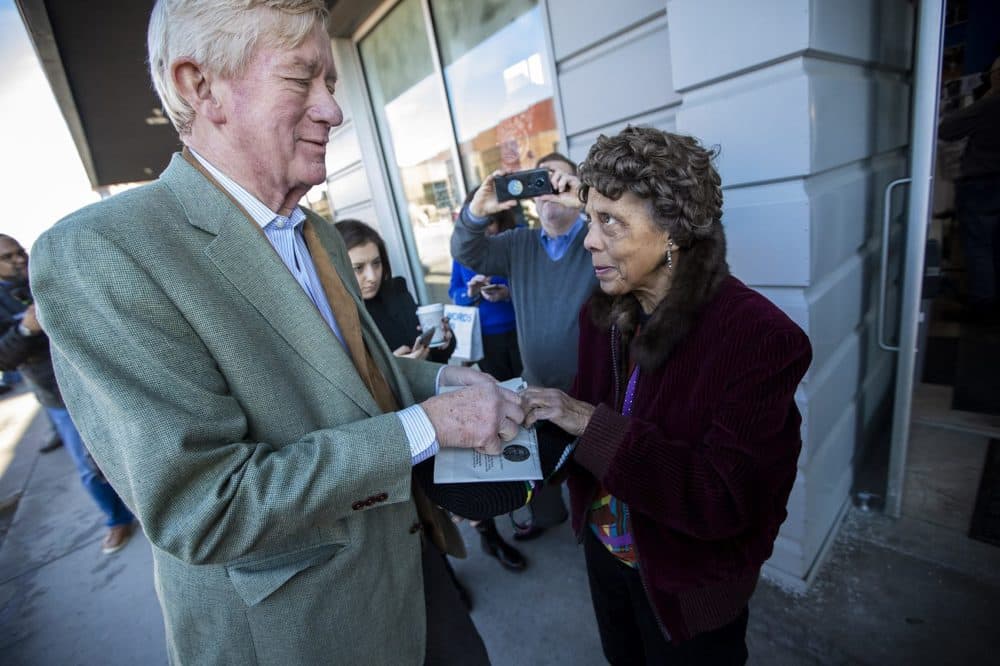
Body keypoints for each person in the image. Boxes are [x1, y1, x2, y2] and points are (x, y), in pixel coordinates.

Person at [29, 2, 525, 664]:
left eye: (333, 83)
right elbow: (205, 508)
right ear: (197, 85)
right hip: (304, 633)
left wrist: (440, 380)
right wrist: (433, 424)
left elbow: (356, 376)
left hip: (412, 569)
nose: (334, 109)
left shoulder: (314, 228)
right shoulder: (100, 254)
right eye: (302, 79)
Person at [520, 126, 812, 664]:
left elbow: (724, 500)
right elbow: (575, 430)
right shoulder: (602, 311)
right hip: (607, 559)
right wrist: (500, 463)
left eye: (611, 221)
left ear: (673, 231)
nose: (588, 240)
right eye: (590, 218)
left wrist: (589, 422)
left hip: (688, 588)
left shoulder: (760, 339)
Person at [452, 152, 596, 540]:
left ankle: (593, 529)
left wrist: (589, 202)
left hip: (592, 388)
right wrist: (477, 211)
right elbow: (468, 252)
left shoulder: (596, 240)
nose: (551, 191)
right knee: (536, 464)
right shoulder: (519, 244)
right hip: (537, 383)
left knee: (592, 470)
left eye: (561, 180)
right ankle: (548, 517)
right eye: (542, 181)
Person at [0, 235, 134, 552]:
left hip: (94, 376)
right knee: (89, 465)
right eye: (9, 256)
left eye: (20, 251)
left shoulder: (42, 275)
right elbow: (4, 358)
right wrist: (26, 329)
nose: (19, 259)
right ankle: (117, 519)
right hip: (56, 393)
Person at [447, 199, 528, 571]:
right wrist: (473, 290)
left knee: (528, 406)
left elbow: (527, 284)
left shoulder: (514, 245)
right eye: (486, 227)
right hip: (488, 337)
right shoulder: (464, 252)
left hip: (520, 331)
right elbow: (456, 294)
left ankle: (532, 492)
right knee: (504, 408)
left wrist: (507, 292)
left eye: (495, 226)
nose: (491, 233)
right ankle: (508, 502)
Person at [335, 219, 455, 363]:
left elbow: (437, 357)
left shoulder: (396, 293)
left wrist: (444, 340)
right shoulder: (332, 318)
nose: (372, 277)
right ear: (335, 268)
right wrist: (395, 369)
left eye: (376, 263)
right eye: (358, 268)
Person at [939, 55, 1000, 321]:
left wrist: (988, 98)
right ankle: (988, 298)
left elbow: (948, 128)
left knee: (979, 245)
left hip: (984, 181)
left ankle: (983, 305)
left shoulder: (993, 103)